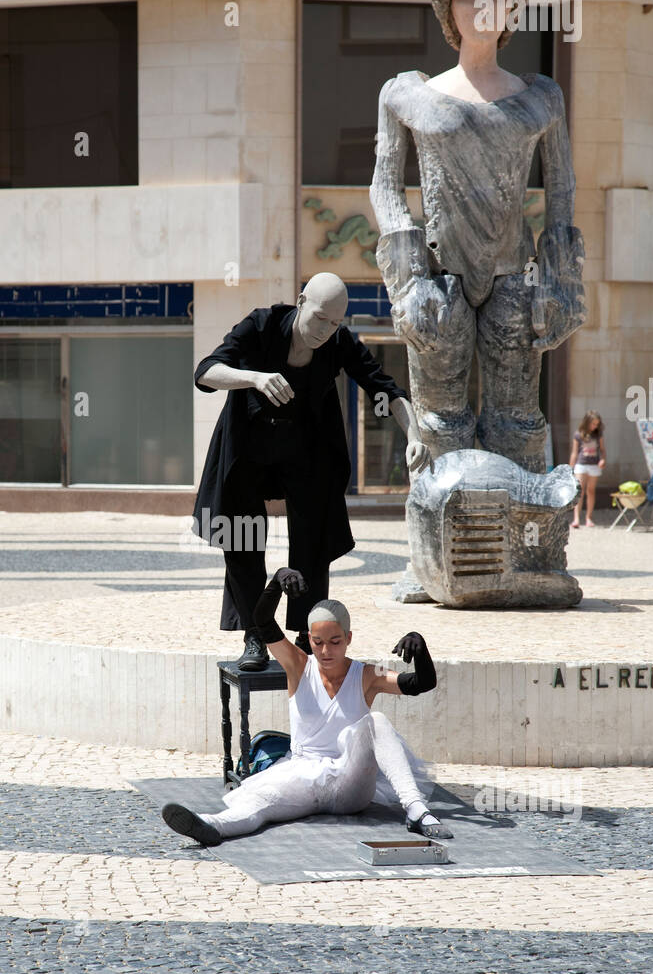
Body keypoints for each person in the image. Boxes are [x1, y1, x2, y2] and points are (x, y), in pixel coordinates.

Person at [370, 0, 586, 474]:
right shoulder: (408, 95)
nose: (482, 5)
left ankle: (525, 546)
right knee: (440, 421)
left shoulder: (540, 97)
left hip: (514, 274)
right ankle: (441, 549)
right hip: (439, 276)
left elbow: (561, 188)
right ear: (448, 6)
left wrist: (561, 283)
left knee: (516, 421)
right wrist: (409, 278)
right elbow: (384, 185)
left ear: (514, 7)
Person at [191, 272, 432, 673]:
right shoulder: (261, 325)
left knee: (314, 538)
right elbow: (205, 371)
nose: (326, 330)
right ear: (301, 302)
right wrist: (254, 377)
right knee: (242, 538)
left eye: (335, 322)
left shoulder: (337, 341)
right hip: (247, 450)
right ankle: (255, 632)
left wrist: (414, 435)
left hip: (306, 453)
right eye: (320, 318)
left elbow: (384, 389)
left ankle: (305, 631)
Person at [162, 566, 450, 846]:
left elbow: (420, 684)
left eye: (335, 642)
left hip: (350, 783)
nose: (326, 651)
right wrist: (276, 582)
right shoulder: (298, 665)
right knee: (257, 802)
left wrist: (421, 649)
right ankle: (213, 825)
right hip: (302, 775)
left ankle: (416, 810)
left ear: (348, 639)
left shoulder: (366, 675)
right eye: (318, 642)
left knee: (376, 721)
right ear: (309, 640)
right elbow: (262, 620)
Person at [569, 410, 605, 527]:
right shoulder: (578, 434)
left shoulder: (598, 434)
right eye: (593, 423)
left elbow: (602, 450)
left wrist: (602, 459)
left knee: (591, 491)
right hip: (581, 464)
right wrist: (570, 468)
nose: (595, 426)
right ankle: (576, 519)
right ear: (587, 422)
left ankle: (588, 518)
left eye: (597, 424)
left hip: (594, 465)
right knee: (580, 491)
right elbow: (574, 453)